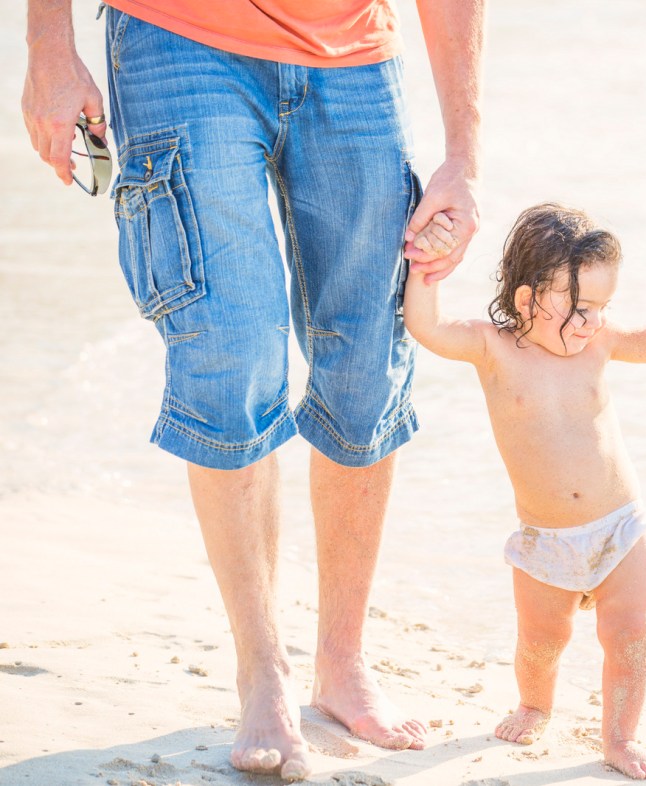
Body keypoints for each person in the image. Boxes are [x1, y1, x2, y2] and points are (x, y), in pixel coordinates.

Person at [22, 0, 483, 779]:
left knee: (369, 363)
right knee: (230, 349)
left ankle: (341, 661)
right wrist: (47, 45)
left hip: (355, 55)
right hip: (177, 38)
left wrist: (464, 156)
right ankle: (261, 670)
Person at [404, 203, 646, 780]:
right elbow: (427, 328)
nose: (590, 322)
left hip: (621, 527)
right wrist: (425, 271)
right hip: (545, 539)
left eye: (601, 308)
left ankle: (621, 737)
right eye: (577, 307)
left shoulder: (599, 345)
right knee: (542, 641)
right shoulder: (493, 348)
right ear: (526, 301)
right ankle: (534, 703)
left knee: (628, 633)